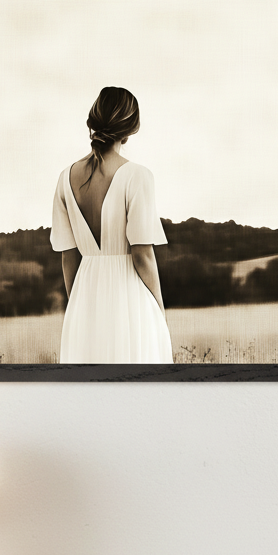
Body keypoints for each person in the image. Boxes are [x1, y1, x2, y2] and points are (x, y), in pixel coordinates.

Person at [50, 87, 173, 363]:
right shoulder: (138, 176)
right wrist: (159, 312)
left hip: (84, 299)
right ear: (130, 129)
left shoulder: (64, 178)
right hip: (130, 300)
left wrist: (78, 307)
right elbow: (143, 255)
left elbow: (68, 257)